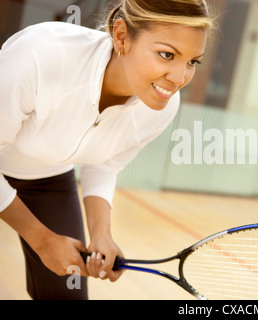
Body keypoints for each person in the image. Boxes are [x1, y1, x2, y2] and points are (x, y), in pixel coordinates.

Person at [0, 0, 213, 300]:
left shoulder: (162, 106)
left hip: (45, 177)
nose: (179, 78)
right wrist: (43, 239)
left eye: (193, 61)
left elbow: (106, 162)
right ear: (122, 36)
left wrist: (101, 234)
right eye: (167, 55)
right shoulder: (40, 54)